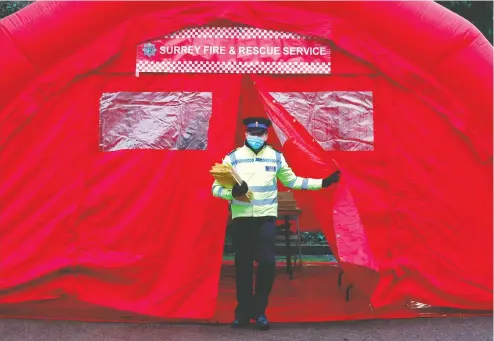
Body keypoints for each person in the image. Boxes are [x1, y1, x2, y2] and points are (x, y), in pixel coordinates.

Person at [211, 117, 341, 330]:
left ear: (266, 135)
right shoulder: (232, 158)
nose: (255, 137)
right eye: (252, 134)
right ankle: (242, 313)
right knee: (242, 267)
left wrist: (323, 183)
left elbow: (293, 181)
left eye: (260, 134)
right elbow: (215, 188)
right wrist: (231, 193)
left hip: (266, 218)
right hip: (242, 219)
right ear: (245, 134)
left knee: (268, 263)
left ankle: (259, 310)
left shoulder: (275, 157)